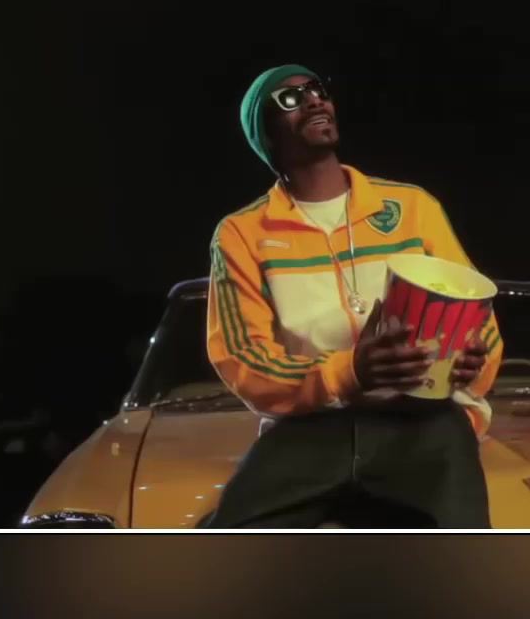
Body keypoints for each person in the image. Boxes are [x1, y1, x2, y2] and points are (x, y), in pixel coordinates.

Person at [202, 64, 503, 528]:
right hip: (309, 427)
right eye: (290, 99)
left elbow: (478, 315)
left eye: (317, 89)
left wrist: (471, 361)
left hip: (422, 422)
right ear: (264, 133)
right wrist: (349, 372)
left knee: (462, 558)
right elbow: (243, 357)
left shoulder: (411, 206)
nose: (313, 100)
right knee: (227, 545)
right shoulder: (241, 233)